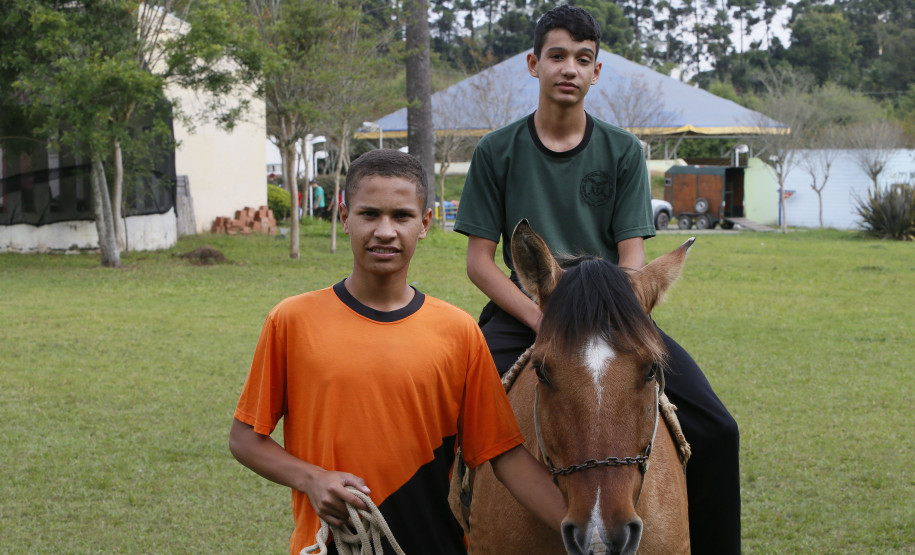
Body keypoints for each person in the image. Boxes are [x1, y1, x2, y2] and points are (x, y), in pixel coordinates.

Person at [452, 6, 741, 554]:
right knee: (447, 418)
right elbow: (480, 262)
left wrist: (606, 319)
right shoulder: (496, 151)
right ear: (534, 64)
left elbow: (632, 257)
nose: (570, 69)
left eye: (583, 59)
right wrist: (546, 319)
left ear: (597, 72)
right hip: (528, 309)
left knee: (718, 428)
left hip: (612, 314)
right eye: (557, 56)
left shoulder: (624, 151)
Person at [229, 149, 566, 555]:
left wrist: (582, 529)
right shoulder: (292, 321)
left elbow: (504, 456)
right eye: (369, 214)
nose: (385, 231)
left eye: (402, 216)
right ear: (344, 216)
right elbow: (245, 439)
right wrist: (312, 479)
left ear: (424, 223)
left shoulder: (458, 332)